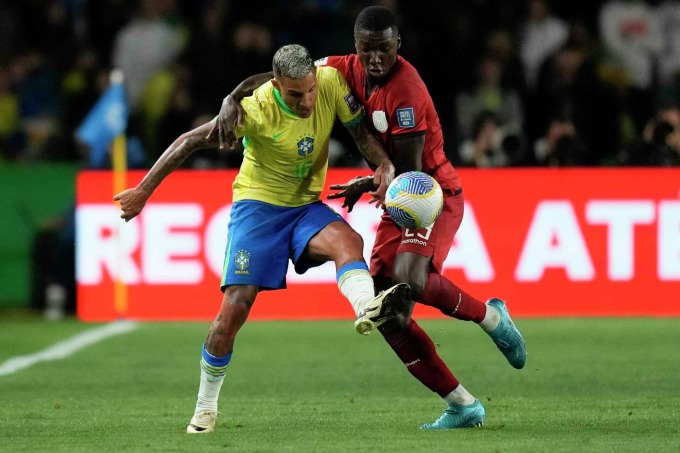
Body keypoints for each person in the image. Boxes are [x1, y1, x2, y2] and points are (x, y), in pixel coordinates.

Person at [212, 7, 527, 430]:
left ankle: (491, 317)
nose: (375, 59)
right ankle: (462, 404)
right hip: (396, 195)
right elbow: (276, 80)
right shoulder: (341, 68)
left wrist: (376, 177)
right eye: (366, 50)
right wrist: (233, 97)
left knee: (411, 279)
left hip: (428, 192)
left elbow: (409, 171)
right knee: (387, 312)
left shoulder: (407, 91)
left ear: (398, 45)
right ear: (355, 46)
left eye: (383, 49)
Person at [113, 44, 412, 434]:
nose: (307, 102)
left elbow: (359, 132)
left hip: (305, 204)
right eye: (295, 94)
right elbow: (188, 140)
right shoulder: (253, 110)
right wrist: (142, 191)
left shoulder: (330, 82)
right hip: (258, 209)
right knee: (236, 306)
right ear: (276, 85)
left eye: (310, 91)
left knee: (348, 241)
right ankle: (205, 407)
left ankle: (364, 306)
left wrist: (383, 163)